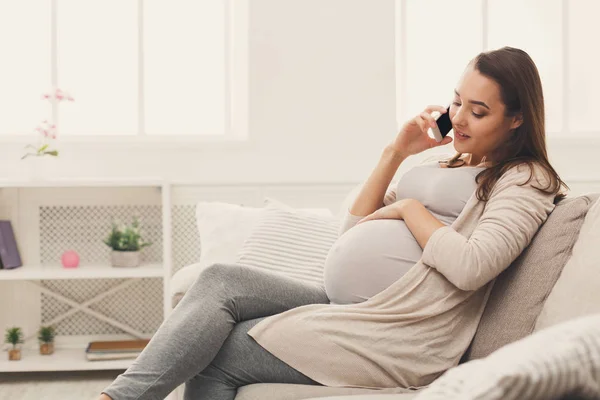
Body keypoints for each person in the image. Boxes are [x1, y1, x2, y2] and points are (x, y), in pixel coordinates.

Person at [99, 46, 567, 400]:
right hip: (358, 306)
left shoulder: (526, 179)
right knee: (220, 280)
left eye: (478, 111)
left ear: (517, 120)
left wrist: (409, 209)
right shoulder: (449, 163)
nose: (459, 118)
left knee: (220, 351)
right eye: (457, 101)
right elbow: (355, 231)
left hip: (400, 331)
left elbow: (471, 267)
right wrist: (395, 153)